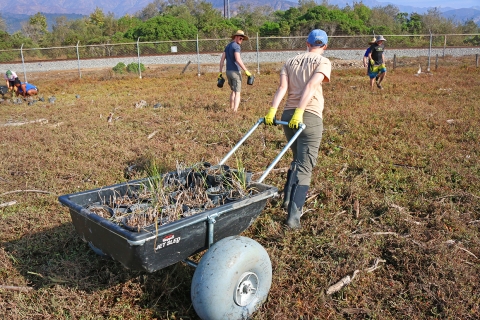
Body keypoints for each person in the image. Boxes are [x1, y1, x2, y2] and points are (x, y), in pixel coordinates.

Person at [264, 29, 332, 229]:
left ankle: (287, 199)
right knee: (305, 166)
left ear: (307, 43)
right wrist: (300, 112)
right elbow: (311, 86)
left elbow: (282, 89)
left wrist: (272, 111)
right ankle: (293, 218)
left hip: (287, 117)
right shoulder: (323, 62)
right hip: (307, 116)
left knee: (297, 160)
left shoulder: (290, 61)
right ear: (325, 46)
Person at [218, 30, 252, 112]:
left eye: (243, 39)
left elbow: (222, 60)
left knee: (233, 90)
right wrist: (246, 70)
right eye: (240, 38)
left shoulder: (228, 46)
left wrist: (220, 72)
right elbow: (238, 59)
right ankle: (235, 111)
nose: (241, 40)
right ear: (236, 37)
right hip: (235, 72)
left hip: (228, 72)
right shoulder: (236, 46)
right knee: (238, 92)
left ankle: (231, 108)